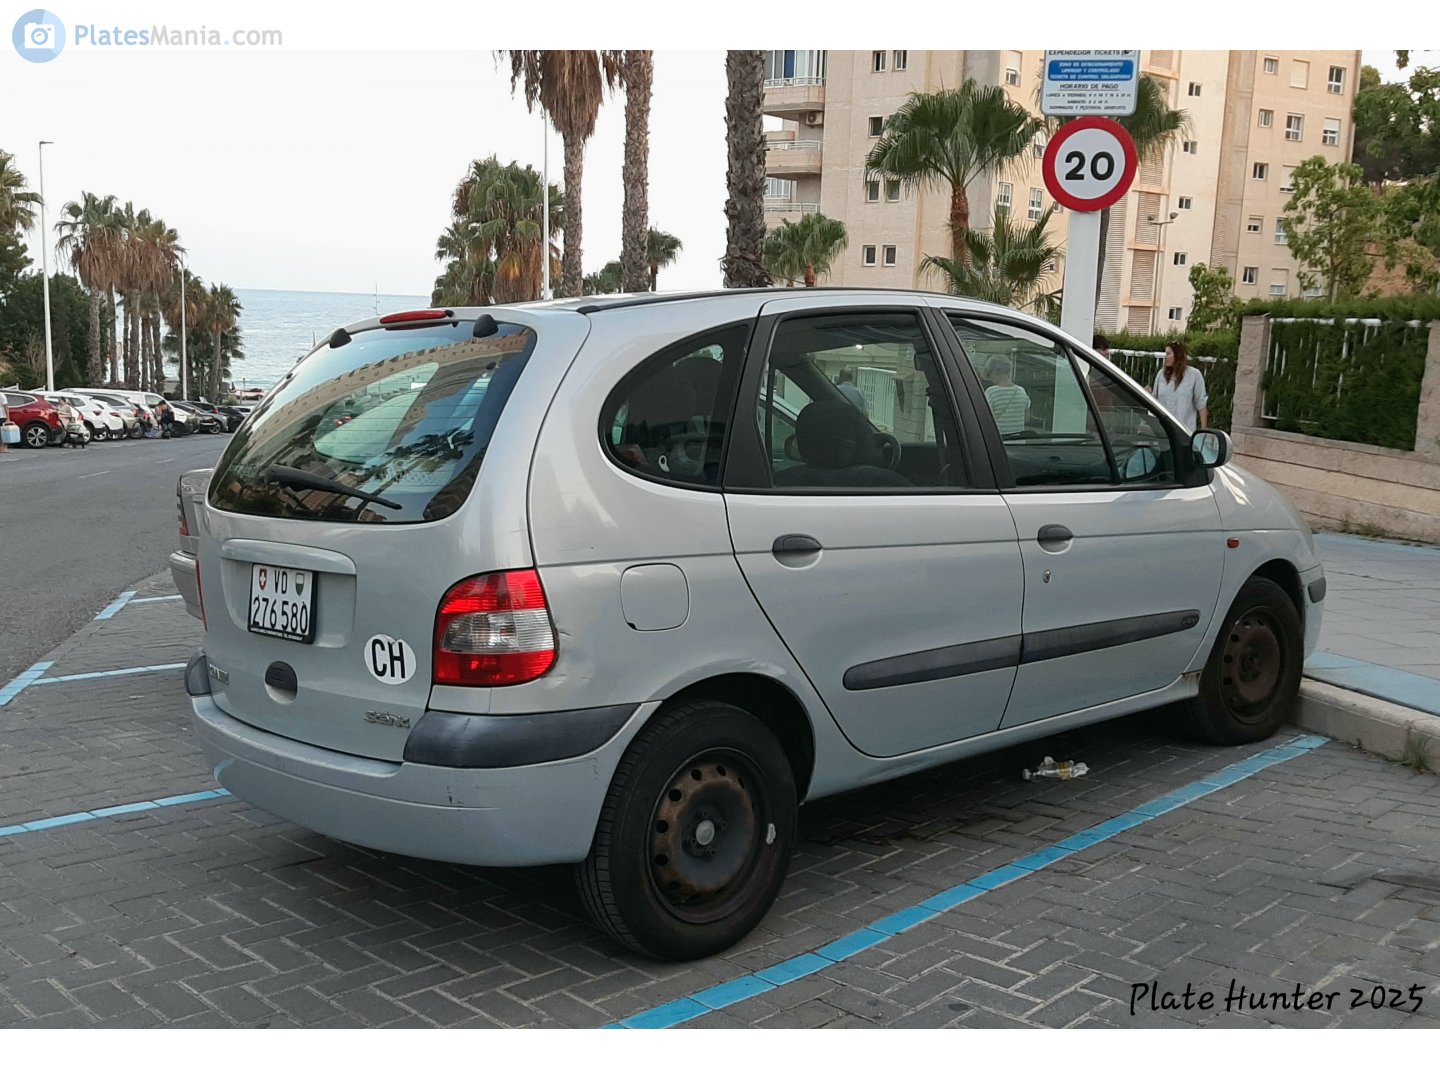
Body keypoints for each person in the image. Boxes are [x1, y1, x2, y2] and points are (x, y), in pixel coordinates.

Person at [1152, 341, 1209, 430]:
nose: (1165, 357)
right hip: (1163, 430)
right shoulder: (1161, 375)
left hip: (1184, 430)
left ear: (1177, 355)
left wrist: (1203, 430)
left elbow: (1201, 404)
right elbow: (1155, 399)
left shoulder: (1194, 375)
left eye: (1168, 354)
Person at [983, 356, 1030, 435]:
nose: (989, 378)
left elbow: (984, 418)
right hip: (1018, 441)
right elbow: (1027, 418)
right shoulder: (1021, 391)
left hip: (999, 441)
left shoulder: (991, 392)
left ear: (994, 372)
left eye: (989, 374)